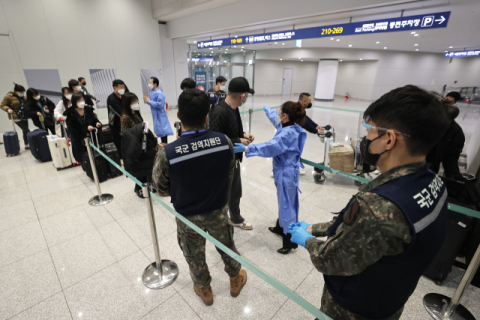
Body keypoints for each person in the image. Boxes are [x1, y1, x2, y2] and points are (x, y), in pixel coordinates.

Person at [289, 85, 450, 320]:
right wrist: (319, 227)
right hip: (389, 301)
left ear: (389, 139)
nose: (365, 139)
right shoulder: (434, 184)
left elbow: (329, 259)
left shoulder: (377, 207)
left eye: (370, 131)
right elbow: (368, 232)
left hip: (353, 309)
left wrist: (307, 240)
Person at [152, 88, 247, 306]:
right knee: (227, 245)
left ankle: (204, 290)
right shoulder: (224, 142)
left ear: (178, 116)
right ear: (207, 116)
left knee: (194, 256)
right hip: (218, 210)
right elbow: (229, 174)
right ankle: (234, 279)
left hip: (188, 216)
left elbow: (161, 188)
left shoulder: (168, 153)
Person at [234, 102, 307, 254]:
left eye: (280, 112)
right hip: (284, 171)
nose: (278, 114)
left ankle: (290, 241)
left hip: (287, 174)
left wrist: (248, 148)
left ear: (285, 116)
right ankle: (281, 227)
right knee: (283, 202)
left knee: (287, 205)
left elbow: (270, 147)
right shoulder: (289, 125)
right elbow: (276, 120)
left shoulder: (287, 134)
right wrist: (266, 109)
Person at [208, 77, 255, 230]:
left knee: (235, 192)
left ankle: (235, 217)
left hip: (233, 159)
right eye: (246, 95)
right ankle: (219, 224)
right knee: (223, 195)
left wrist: (243, 135)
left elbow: (231, 130)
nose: (246, 98)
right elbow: (215, 139)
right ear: (242, 96)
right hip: (222, 162)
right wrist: (238, 140)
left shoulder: (233, 109)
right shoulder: (219, 111)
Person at [120, 92, 157, 198]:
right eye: (133, 102)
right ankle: (139, 188)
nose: (136, 103)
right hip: (135, 145)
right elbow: (124, 133)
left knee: (145, 165)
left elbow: (142, 126)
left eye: (136, 101)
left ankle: (146, 185)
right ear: (128, 103)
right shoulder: (125, 117)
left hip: (143, 143)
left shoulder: (136, 113)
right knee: (139, 167)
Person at [427, 104, 465, 179]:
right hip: (415, 156)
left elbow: (452, 157)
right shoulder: (428, 122)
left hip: (430, 162)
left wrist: (453, 176)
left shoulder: (456, 132)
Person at [64, 93, 101, 162]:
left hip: (91, 138)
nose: (82, 102)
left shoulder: (88, 110)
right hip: (79, 140)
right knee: (84, 159)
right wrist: (85, 128)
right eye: (79, 101)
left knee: (95, 158)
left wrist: (96, 123)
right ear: (74, 102)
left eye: (83, 100)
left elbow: (93, 119)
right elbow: (72, 129)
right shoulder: (70, 113)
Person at [143, 77, 173, 144]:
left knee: (163, 131)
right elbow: (152, 103)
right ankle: (162, 144)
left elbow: (160, 105)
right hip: (155, 115)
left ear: (155, 84)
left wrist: (150, 101)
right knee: (159, 130)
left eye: (150, 82)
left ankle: (165, 145)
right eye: (149, 82)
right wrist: (147, 101)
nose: (149, 84)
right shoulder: (151, 92)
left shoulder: (159, 93)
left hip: (160, 115)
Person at [1, 83, 30, 149]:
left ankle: (27, 144)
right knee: (27, 130)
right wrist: (8, 109)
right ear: (15, 91)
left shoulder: (23, 97)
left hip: (24, 115)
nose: (22, 93)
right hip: (16, 116)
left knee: (25, 131)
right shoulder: (8, 97)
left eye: (23, 92)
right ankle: (31, 143)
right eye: (21, 92)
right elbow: (2, 105)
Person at [107, 79, 126, 157]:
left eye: (123, 87)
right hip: (116, 124)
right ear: (115, 88)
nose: (123, 89)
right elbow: (120, 112)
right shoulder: (111, 99)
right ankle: (121, 157)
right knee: (119, 142)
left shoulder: (124, 96)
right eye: (121, 87)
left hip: (124, 123)